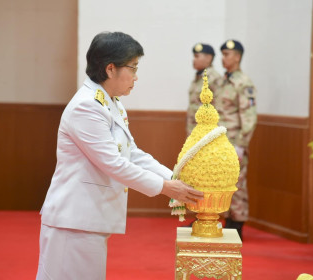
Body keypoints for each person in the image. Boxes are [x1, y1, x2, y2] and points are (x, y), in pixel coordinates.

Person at [35, 31, 204, 280]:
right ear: (110, 69)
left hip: (87, 219)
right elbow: (113, 163)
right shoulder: (87, 106)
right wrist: (166, 187)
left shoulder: (110, 102)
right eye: (133, 68)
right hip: (72, 221)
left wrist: (174, 176)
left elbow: (131, 153)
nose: (136, 77)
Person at [213, 40, 257, 240]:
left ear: (237, 57)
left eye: (227, 54)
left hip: (234, 142)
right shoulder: (222, 82)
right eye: (222, 54)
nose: (223, 58)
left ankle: (237, 223)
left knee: (237, 183)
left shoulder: (243, 83)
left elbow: (248, 117)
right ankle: (226, 219)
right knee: (221, 182)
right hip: (219, 142)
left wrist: (241, 145)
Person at [187, 43, 221, 135]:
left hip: (207, 133)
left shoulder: (215, 78)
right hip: (194, 131)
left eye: (197, 56)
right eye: (194, 56)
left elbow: (219, 108)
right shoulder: (197, 78)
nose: (194, 60)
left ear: (208, 58)